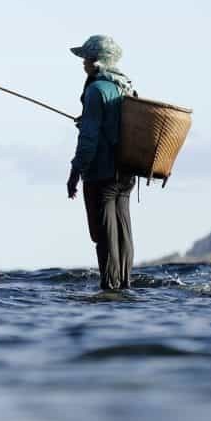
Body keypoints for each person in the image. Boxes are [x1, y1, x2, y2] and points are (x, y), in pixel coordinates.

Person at [66, 35, 137, 290]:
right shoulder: (125, 86)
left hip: (102, 173)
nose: (83, 63)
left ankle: (110, 288)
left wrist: (75, 172)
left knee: (104, 236)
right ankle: (125, 286)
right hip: (127, 173)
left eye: (86, 58)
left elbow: (89, 140)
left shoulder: (96, 90)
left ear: (97, 62)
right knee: (123, 231)